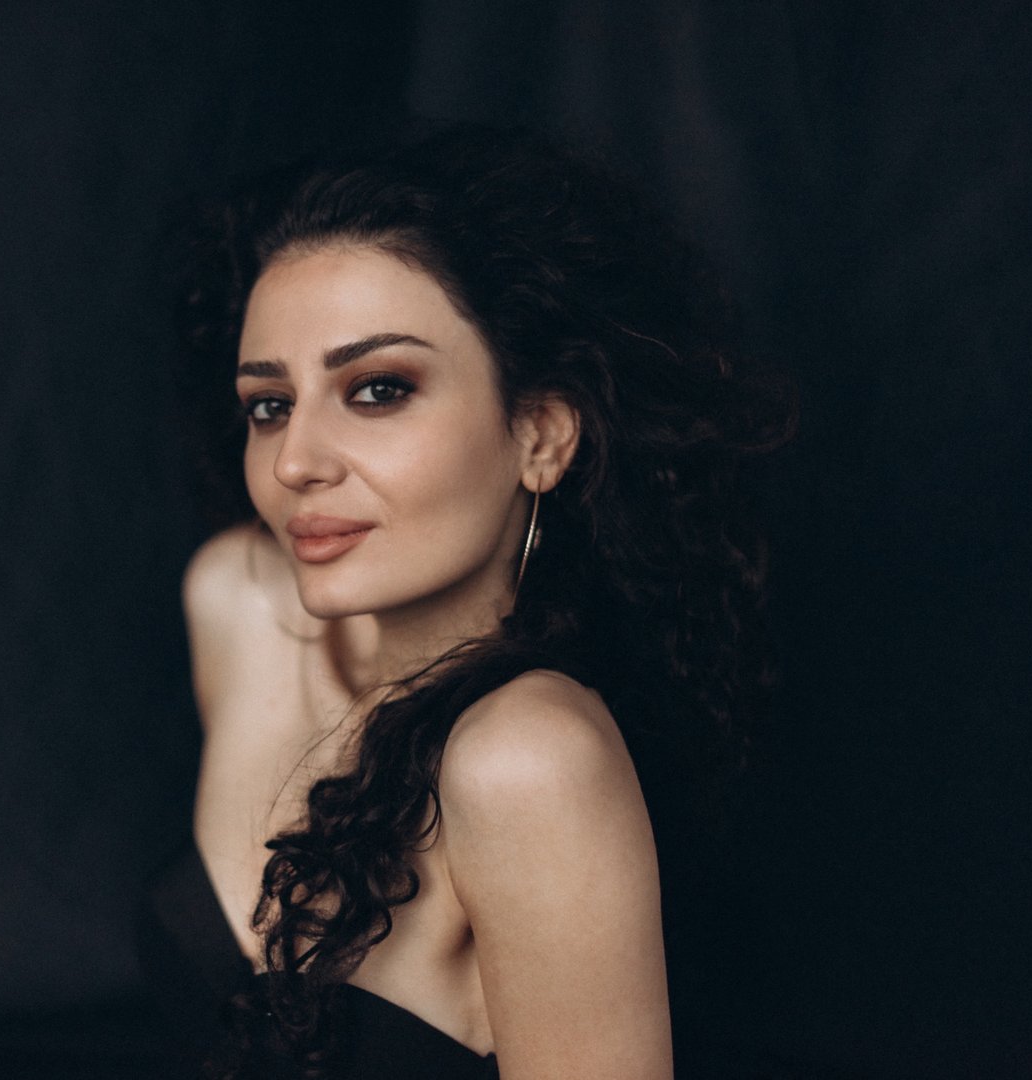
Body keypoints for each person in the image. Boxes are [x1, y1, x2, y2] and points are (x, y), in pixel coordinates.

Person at [139, 125, 793, 1080]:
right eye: (269, 405)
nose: (293, 463)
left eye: (378, 389)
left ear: (542, 435)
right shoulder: (238, 600)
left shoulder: (529, 759)